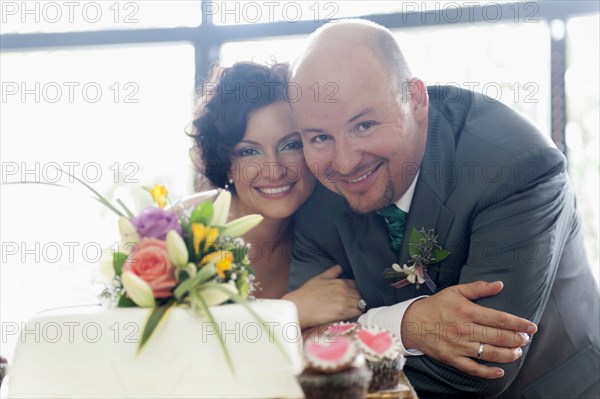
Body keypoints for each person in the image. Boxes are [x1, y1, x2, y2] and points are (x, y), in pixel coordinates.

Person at [288, 20, 599, 398]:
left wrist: (358, 339)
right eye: (319, 137)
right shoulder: (314, 190)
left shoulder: (515, 166)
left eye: (365, 125)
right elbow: (306, 342)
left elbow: (481, 370)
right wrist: (405, 325)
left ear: (416, 99)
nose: (345, 161)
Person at [188, 61, 363, 328]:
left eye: (290, 145)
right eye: (249, 151)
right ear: (226, 163)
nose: (274, 171)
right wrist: (290, 312)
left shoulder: (331, 224)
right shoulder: (180, 232)